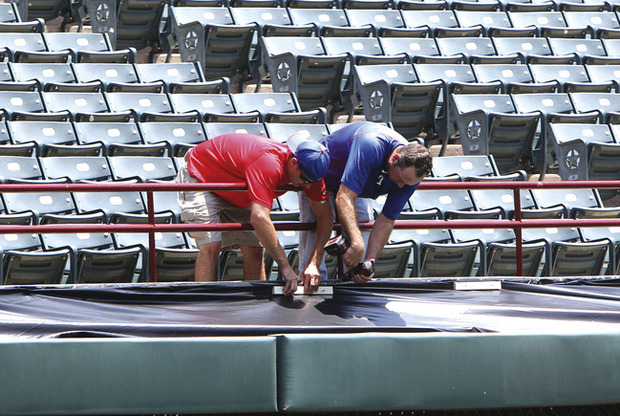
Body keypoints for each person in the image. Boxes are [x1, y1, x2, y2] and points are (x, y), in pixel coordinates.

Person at [176, 133, 333, 296]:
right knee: (211, 246)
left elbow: (326, 218)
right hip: (201, 174)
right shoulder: (269, 163)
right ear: (294, 163)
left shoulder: (311, 173)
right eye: (305, 181)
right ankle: (203, 309)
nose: (307, 187)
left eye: (311, 183)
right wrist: (285, 267)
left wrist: (314, 263)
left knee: (255, 249)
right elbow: (259, 217)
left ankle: (256, 308)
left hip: (238, 184)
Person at [298, 121, 433, 292]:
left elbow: (387, 219)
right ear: (395, 158)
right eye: (400, 179)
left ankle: (354, 281)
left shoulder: (410, 175)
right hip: (320, 179)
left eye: (407, 184)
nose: (400, 186)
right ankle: (310, 277)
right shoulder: (371, 144)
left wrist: (370, 261)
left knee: (362, 232)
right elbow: (344, 197)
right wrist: (357, 243)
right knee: (317, 226)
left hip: (356, 187)